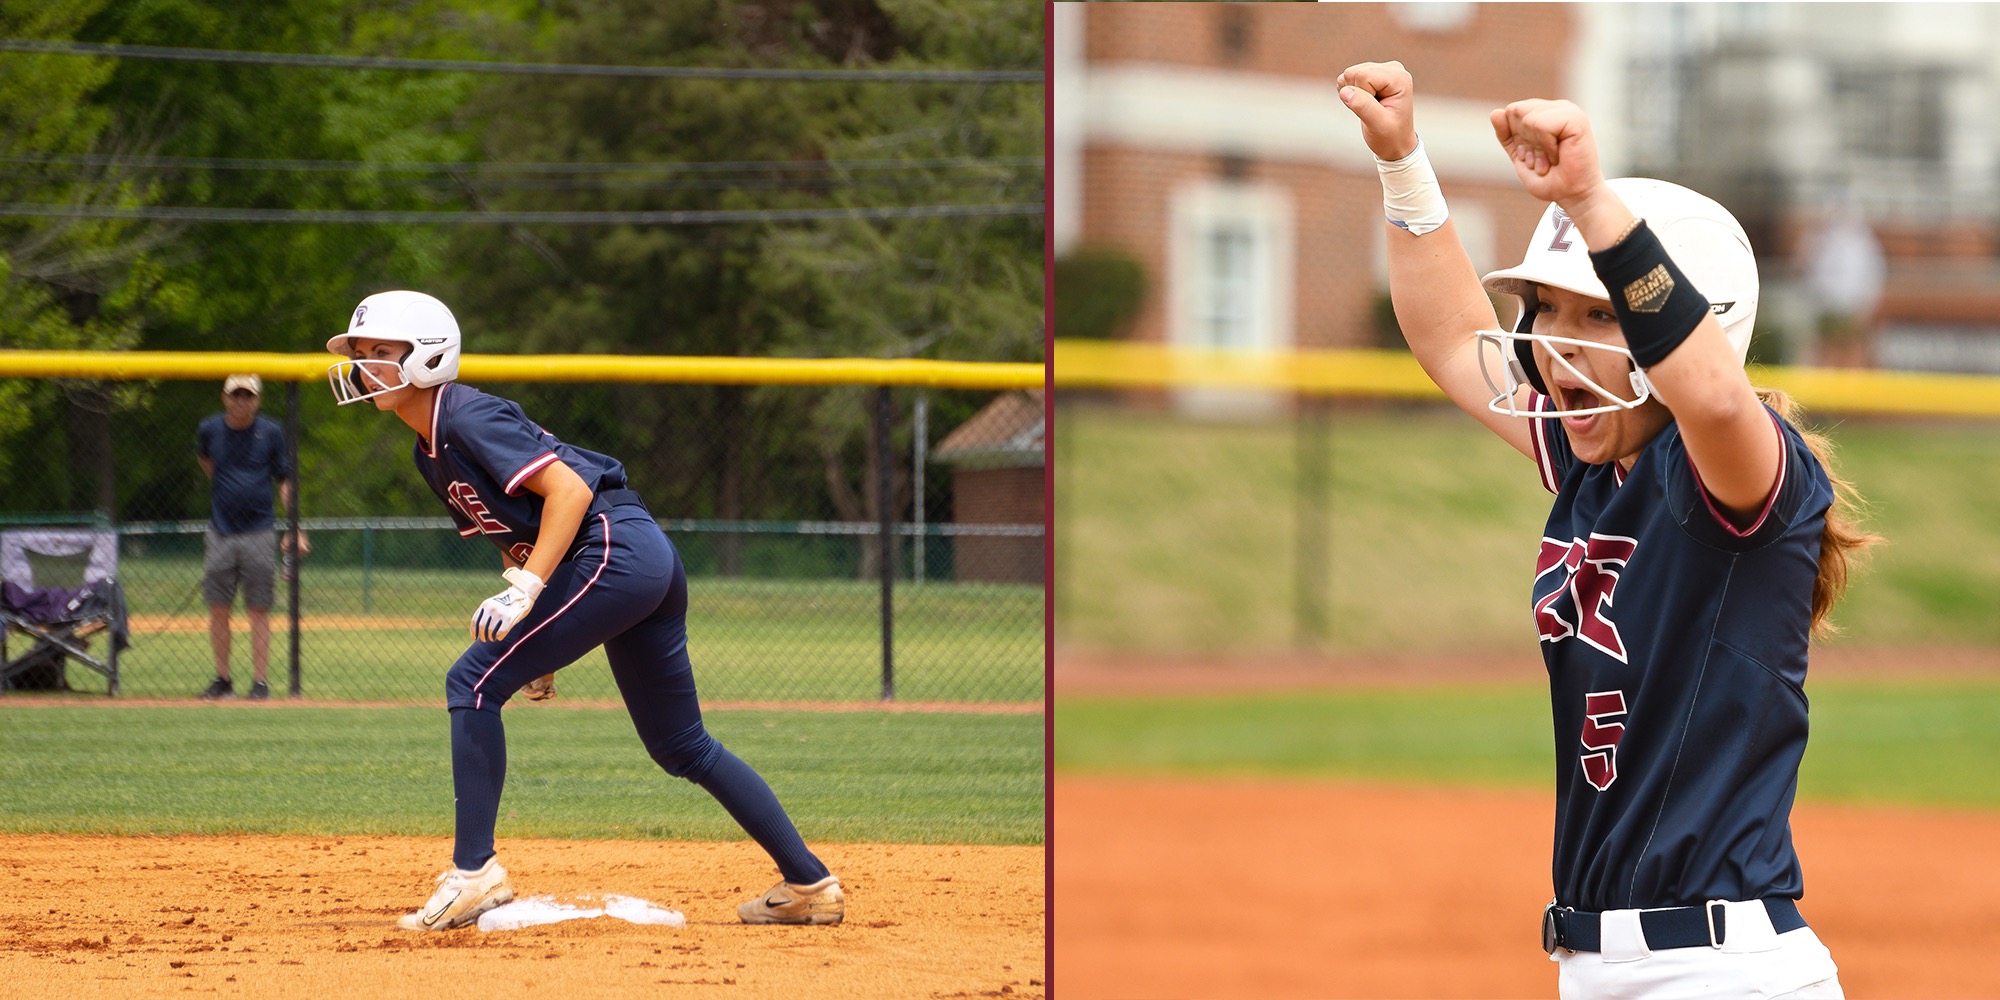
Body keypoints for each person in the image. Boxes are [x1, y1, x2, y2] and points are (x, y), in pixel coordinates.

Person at [1338, 62, 1875, 999]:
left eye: (1601, 315)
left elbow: (1714, 397)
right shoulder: (1597, 467)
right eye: (1548, 311)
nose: (1557, 344)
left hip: (1718, 973)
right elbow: (1451, 338)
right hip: (1601, 967)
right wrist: (1402, 162)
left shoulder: (1740, 470)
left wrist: (1589, 201)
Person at [324, 289, 843, 931]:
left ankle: (475, 873)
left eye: (382, 351)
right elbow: (511, 534)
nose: (365, 365)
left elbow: (568, 491)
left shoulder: (464, 415)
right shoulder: (428, 446)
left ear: (429, 356)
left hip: (612, 546)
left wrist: (527, 590)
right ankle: (810, 885)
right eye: (361, 353)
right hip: (631, 556)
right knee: (680, 744)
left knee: (472, 682)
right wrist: (531, 617)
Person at [196, 374, 306, 701]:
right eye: (236, 395)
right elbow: (206, 462)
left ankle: (260, 682)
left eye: (248, 395)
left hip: (259, 530)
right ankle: (223, 679)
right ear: (225, 397)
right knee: (219, 607)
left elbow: (284, 479)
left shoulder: (270, 432)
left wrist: (294, 526)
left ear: (257, 400)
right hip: (221, 531)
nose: (241, 401)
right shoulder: (210, 429)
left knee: (259, 608)